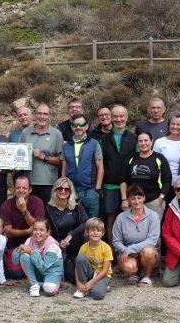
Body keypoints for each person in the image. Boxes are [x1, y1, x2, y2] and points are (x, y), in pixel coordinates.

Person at [100, 105, 137, 246]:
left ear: (126, 117)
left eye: (121, 116)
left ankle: (129, 251)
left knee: (130, 218)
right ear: (111, 118)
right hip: (109, 184)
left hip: (129, 185)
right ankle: (112, 253)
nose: (118, 119)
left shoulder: (135, 138)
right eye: (115, 116)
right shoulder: (104, 139)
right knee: (110, 218)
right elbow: (101, 162)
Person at [112, 185, 160, 288]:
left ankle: (147, 276)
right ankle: (135, 273)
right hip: (128, 253)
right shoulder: (121, 218)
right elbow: (116, 241)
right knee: (129, 267)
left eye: (139, 198)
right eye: (133, 198)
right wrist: (126, 250)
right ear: (128, 200)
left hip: (145, 251)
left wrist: (131, 249)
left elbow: (152, 240)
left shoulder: (153, 216)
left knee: (149, 251)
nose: (136, 201)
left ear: (144, 198)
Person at [0, 176, 46, 280]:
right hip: (15, 246)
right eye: (18, 187)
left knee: (40, 268)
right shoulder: (6, 205)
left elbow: (39, 227)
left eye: (24, 188)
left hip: (35, 245)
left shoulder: (37, 202)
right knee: (16, 274)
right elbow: (8, 231)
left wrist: (24, 211)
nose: (21, 190)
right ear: (13, 189)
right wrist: (27, 231)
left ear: (30, 189)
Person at [45, 177, 88, 282]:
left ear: (70, 191)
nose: (63, 191)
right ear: (55, 190)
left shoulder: (77, 205)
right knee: (73, 277)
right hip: (59, 245)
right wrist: (59, 242)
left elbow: (85, 222)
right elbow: (46, 231)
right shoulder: (49, 208)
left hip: (76, 242)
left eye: (66, 189)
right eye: (60, 188)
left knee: (87, 237)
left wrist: (71, 235)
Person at [61, 114, 103, 220]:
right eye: (75, 125)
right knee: (73, 223)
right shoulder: (66, 146)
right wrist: (64, 187)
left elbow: (100, 167)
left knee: (92, 224)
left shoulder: (94, 144)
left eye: (81, 124)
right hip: (72, 192)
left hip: (89, 192)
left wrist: (97, 189)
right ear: (72, 127)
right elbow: (64, 169)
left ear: (87, 126)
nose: (78, 127)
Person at [20, 103, 64, 204]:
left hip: (48, 183)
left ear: (49, 116)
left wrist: (43, 156)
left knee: (46, 215)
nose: (42, 116)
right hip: (28, 183)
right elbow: (19, 155)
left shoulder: (56, 134)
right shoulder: (25, 133)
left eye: (45, 114)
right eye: (39, 113)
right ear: (35, 115)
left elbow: (61, 160)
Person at [120, 131, 171, 217]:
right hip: (134, 201)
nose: (143, 143)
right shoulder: (131, 158)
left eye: (146, 140)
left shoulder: (159, 158)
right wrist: (124, 199)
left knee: (153, 229)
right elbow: (123, 179)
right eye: (140, 141)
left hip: (154, 201)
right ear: (137, 143)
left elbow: (167, 179)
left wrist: (161, 198)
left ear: (151, 141)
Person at [13, 219, 63, 297]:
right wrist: (19, 250)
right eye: (35, 229)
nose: (38, 232)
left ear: (48, 232)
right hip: (37, 271)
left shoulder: (53, 246)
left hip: (51, 272)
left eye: (41, 230)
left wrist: (31, 252)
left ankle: (49, 282)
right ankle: (34, 285)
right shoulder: (29, 240)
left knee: (49, 289)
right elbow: (15, 262)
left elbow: (44, 267)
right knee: (24, 256)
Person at [73, 218, 112, 300]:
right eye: (93, 230)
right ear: (87, 232)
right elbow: (78, 266)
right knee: (80, 258)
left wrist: (91, 282)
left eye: (98, 231)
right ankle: (83, 288)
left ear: (103, 233)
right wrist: (78, 283)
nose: (96, 233)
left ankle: (98, 286)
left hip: (102, 275)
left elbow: (105, 270)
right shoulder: (84, 247)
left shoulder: (106, 248)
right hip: (90, 273)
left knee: (97, 294)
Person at [153, 112, 180, 194]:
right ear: (169, 125)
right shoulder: (159, 142)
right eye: (173, 124)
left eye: (178, 124)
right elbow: (153, 165)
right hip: (162, 185)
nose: (175, 127)